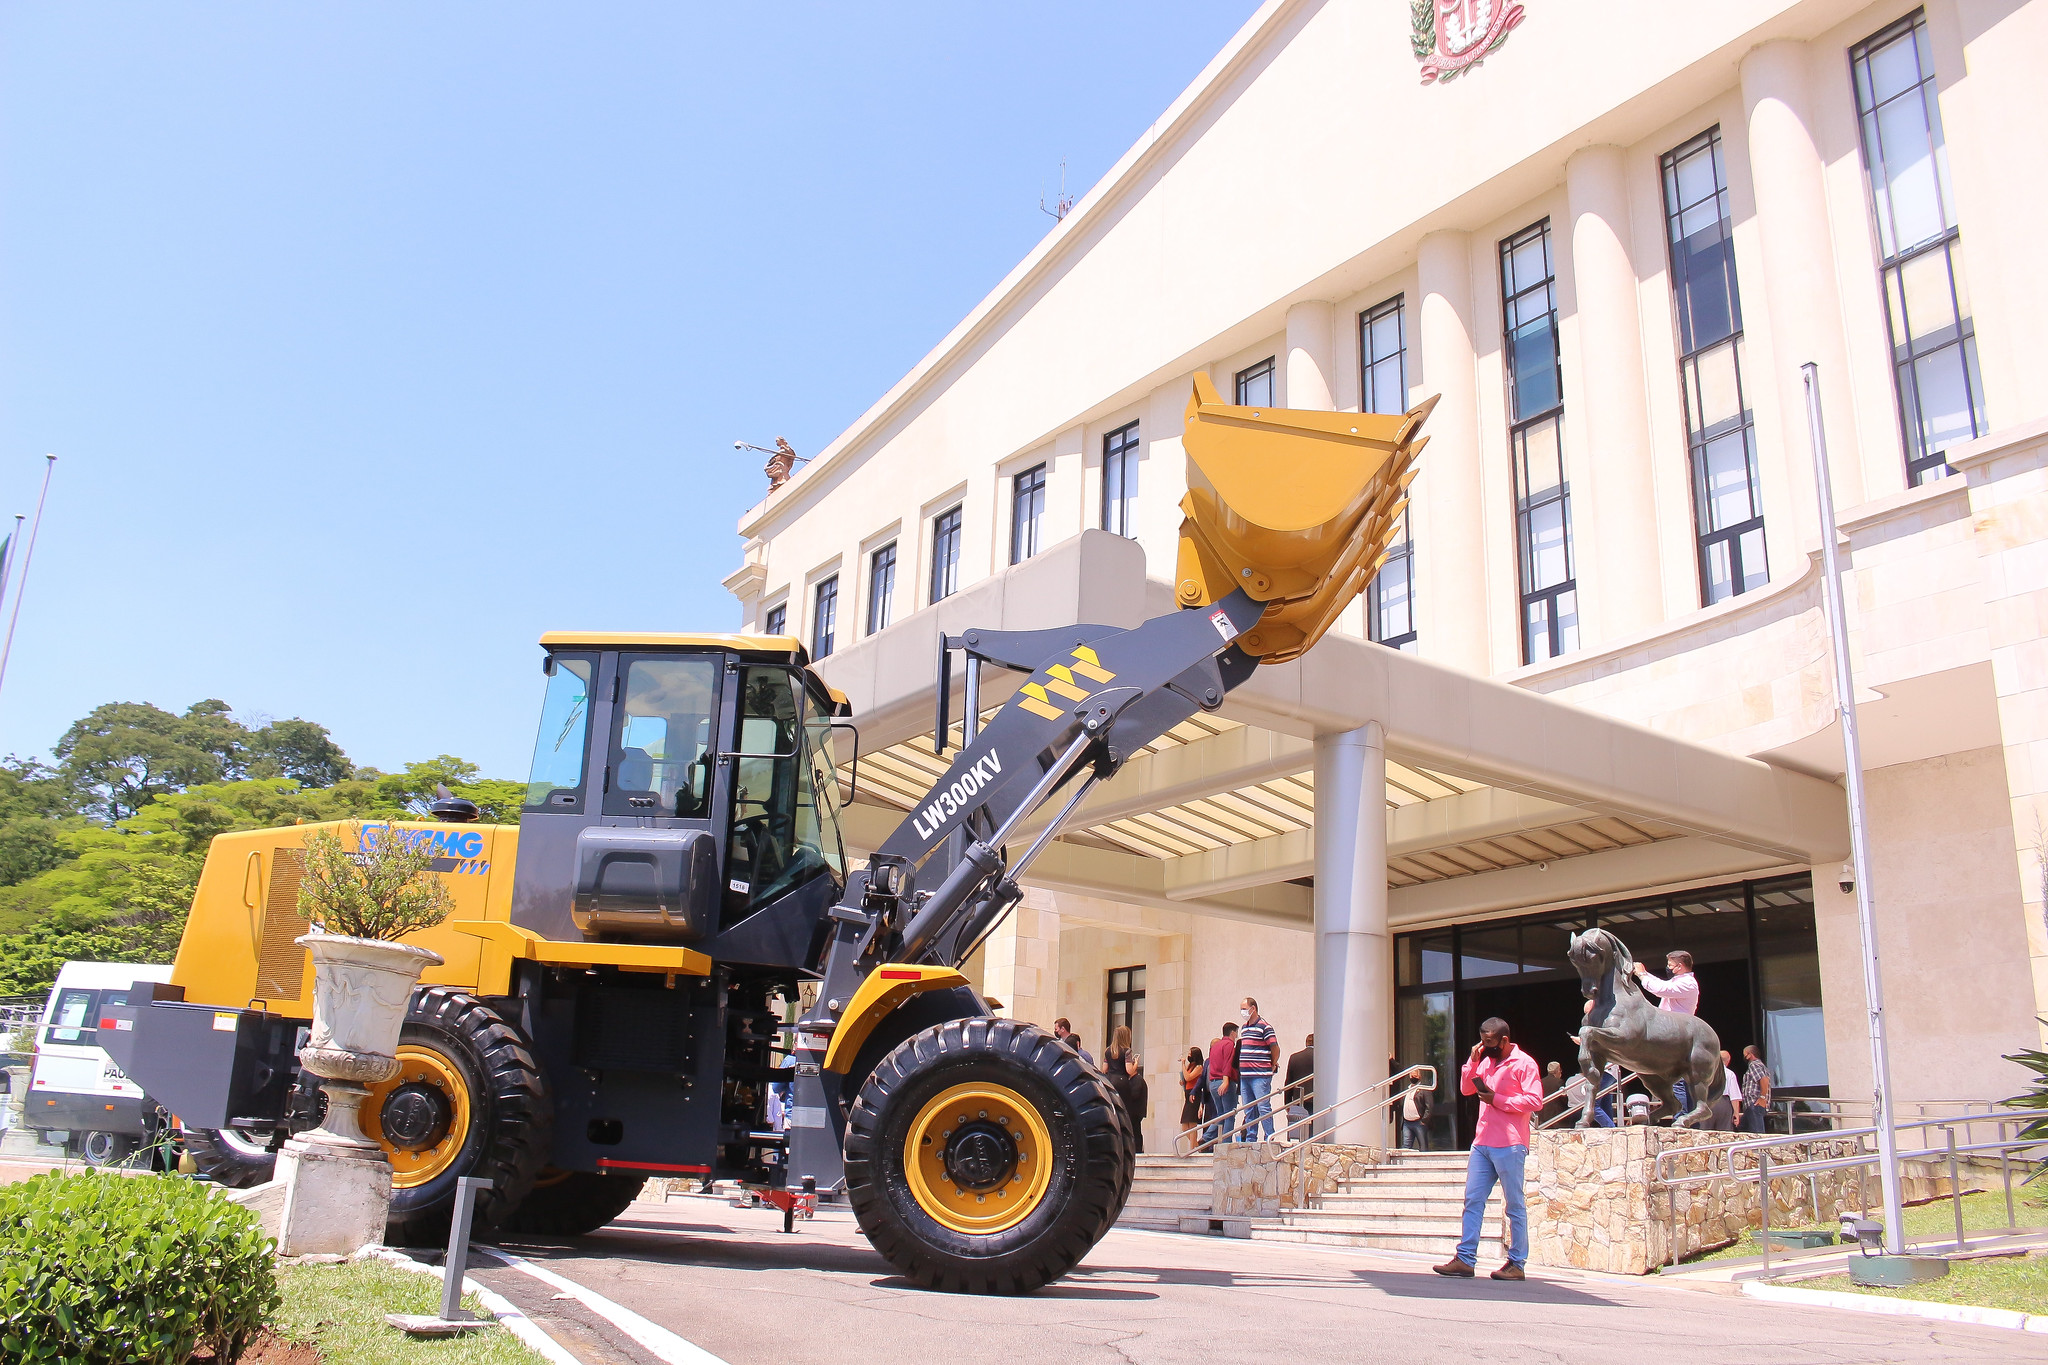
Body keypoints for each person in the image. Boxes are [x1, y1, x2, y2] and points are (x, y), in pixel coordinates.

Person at [1433, 1018, 1540, 1281]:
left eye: (1490, 1043)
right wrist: (1472, 1061)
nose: (1486, 1047)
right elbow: (1467, 1088)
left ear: (1504, 1040)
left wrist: (1498, 1100)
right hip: (1482, 1142)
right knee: (1472, 1200)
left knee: (1514, 1205)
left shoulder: (1524, 1063)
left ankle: (1516, 1263)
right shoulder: (1485, 1061)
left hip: (1511, 1144)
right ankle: (1465, 1259)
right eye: (1483, 1042)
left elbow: (1535, 1100)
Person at [1632, 949, 1700, 1115]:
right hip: (1672, 1034)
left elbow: (1661, 989)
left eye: (1670, 965)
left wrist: (1642, 975)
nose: (1668, 968)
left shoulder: (1688, 984)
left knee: (1677, 1080)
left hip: (1677, 1037)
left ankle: (1681, 1117)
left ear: (1679, 966)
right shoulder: (1679, 982)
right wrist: (1645, 973)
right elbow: (1664, 985)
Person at [1235, 998, 1279, 1143]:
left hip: (1260, 1074)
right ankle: (1251, 1137)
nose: (1242, 1011)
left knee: (1263, 1106)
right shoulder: (1244, 1028)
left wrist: (1272, 1063)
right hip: (1245, 1075)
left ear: (1253, 1008)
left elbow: (1275, 1047)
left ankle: (1269, 1136)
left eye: (1244, 1008)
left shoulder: (1265, 1027)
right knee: (1249, 1109)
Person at [1205, 1022, 1239, 1146]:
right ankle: (1226, 1144)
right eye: (1236, 1032)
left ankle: (1207, 1138)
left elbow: (1211, 1065)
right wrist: (1226, 1081)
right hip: (1224, 1082)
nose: (1237, 1036)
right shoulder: (1229, 1045)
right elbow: (1228, 1064)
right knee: (1230, 1115)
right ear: (1233, 1033)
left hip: (1213, 1083)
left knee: (1220, 1114)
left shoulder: (1215, 1046)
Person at [1284, 1034, 1315, 1139]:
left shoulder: (1295, 1057)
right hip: (1315, 1099)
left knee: (1298, 1130)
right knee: (1313, 1130)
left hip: (1298, 1099)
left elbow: (1289, 1081)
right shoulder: (1322, 1057)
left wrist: (1287, 1103)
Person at [1739, 1044, 1774, 1133]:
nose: (1744, 1057)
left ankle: (1759, 1147)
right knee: (1742, 1128)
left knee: (1757, 1133)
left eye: (1745, 1054)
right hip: (1750, 1106)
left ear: (1750, 1054)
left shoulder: (1754, 1065)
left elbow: (1764, 1079)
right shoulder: (1761, 1065)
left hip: (1754, 1104)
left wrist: (1762, 1097)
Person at [1180, 1046, 1210, 1145]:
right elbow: (1186, 1078)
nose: (1188, 1056)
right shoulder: (1190, 1066)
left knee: (1192, 1123)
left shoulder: (1199, 1067)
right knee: (1185, 1126)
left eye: (1190, 1054)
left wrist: (1183, 1064)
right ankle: (1197, 1146)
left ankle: (1193, 1148)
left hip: (1194, 1094)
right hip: (1187, 1093)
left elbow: (1188, 1077)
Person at [1397, 1070, 1433, 1150]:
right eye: (1411, 1076)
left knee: (1423, 1147)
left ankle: (1425, 1162)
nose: (1413, 1078)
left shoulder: (1424, 1089)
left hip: (1419, 1122)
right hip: (1407, 1123)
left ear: (1419, 1077)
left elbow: (1429, 1106)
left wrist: (1424, 1120)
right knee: (1406, 1147)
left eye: (1415, 1076)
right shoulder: (1407, 1090)